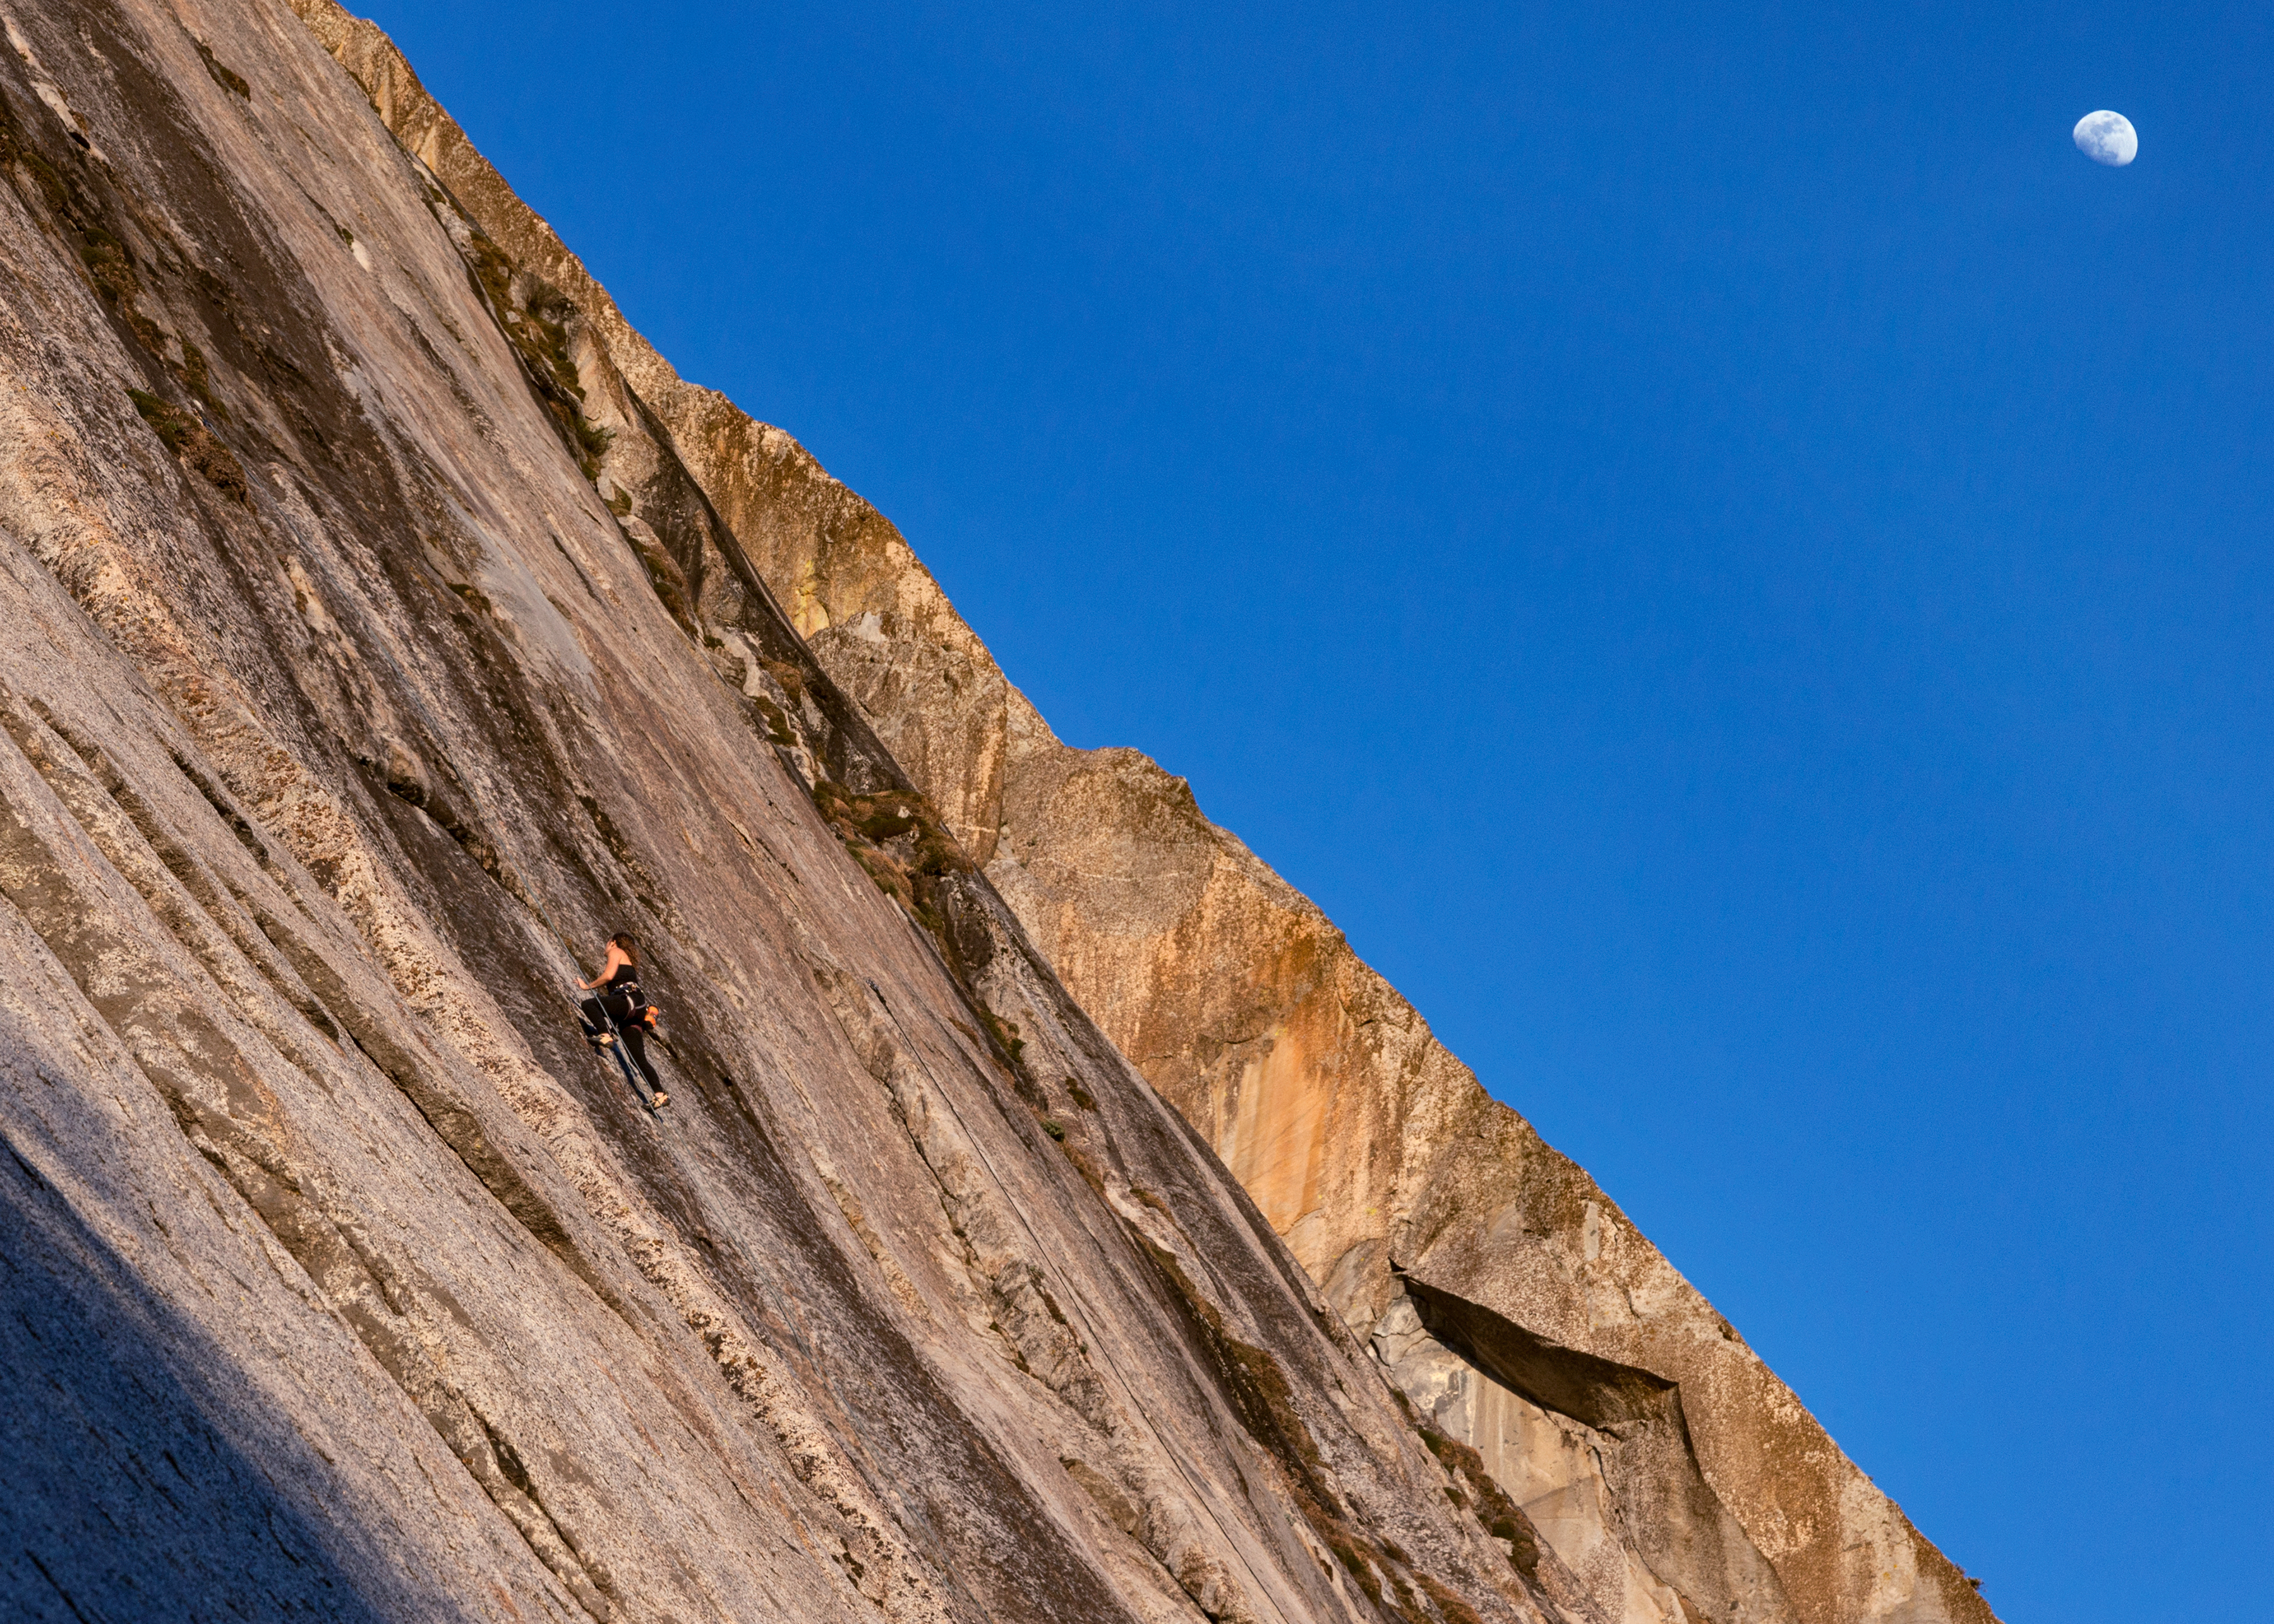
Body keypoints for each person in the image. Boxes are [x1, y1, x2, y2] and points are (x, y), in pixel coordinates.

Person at [579, 932, 667, 1109]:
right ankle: (660, 1094)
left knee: (590, 1004)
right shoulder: (629, 963)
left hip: (629, 1001)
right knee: (637, 1059)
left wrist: (587, 986)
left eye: (607, 942)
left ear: (613, 942)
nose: (606, 946)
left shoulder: (616, 951)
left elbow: (608, 976)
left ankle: (605, 1035)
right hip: (636, 1010)